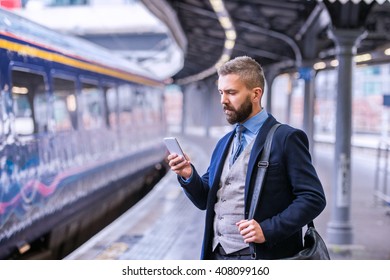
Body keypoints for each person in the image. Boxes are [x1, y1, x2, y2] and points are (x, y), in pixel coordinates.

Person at [167, 56, 326, 260]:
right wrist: (188, 174)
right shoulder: (224, 142)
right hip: (217, 254)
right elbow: (205, 200)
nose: (223, 100)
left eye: (231, 92)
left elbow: (313, 198)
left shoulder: (286, 138)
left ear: (255, 94)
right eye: (221, 92)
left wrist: (268, 229)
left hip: (260, 257)